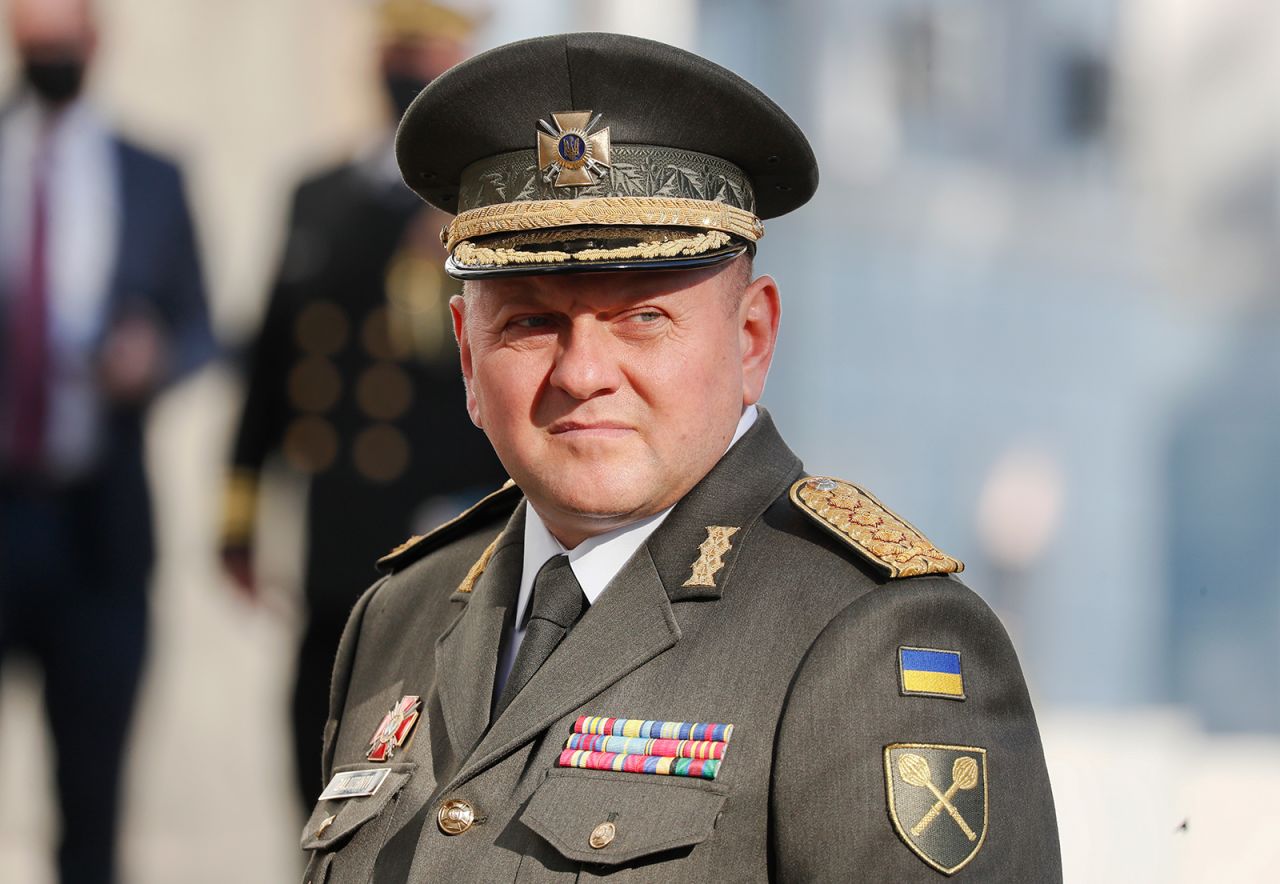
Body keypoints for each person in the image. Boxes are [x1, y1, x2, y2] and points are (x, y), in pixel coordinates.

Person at [300, 32, 1061, 881]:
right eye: (530, 321)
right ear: (468, 360)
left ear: (752, 339)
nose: (583, 373)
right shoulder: (396, 615)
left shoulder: (872, 638)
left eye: (643, 318)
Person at [219, 0, 505, 810]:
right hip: (334, 521)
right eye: (399, 49)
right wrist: (237, 514)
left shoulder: (479, 203)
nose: (408, 68)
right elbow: (273, 361)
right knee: (316, 729)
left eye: (428, 52)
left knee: (421, 744)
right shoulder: (320, 195)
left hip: (441, 512)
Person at [0, 1, 215, 882]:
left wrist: (153, 357)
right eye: (30, 29)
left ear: (95, 37)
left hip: (101, 522)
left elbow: (200, 324)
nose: (48, 48)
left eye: (63, 31)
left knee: (92, 803)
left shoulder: (149, 175)